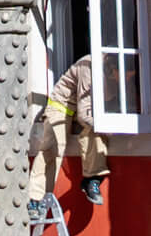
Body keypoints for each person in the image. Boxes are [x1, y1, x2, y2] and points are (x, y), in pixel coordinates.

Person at [26, 54, 108, 216]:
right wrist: (109, 126)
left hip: (85, 110)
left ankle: (91, 180)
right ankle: (35, 199)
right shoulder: (88, 65)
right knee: (52, 148)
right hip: (62, 106)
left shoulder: (123, 70)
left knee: (96, 136)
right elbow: (84, 115)